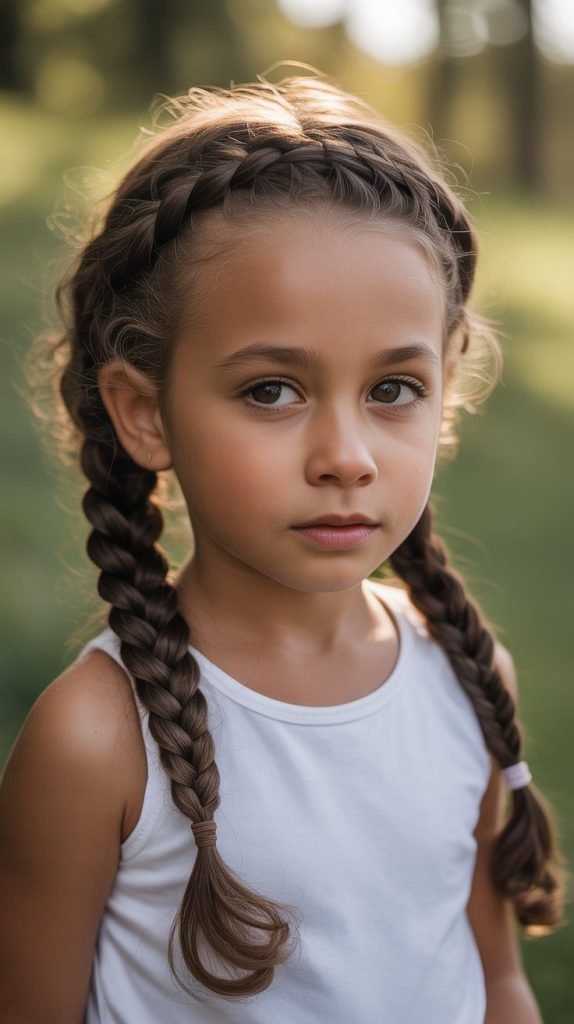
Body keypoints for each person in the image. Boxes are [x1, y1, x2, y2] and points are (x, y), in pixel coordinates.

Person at [0, 68, 564, 1024]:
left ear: (449, 383)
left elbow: (495, 977)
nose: (345, 458)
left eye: (393, 389)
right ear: (145, 412)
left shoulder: (469, 681)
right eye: (272, 390)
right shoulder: (96, 742)